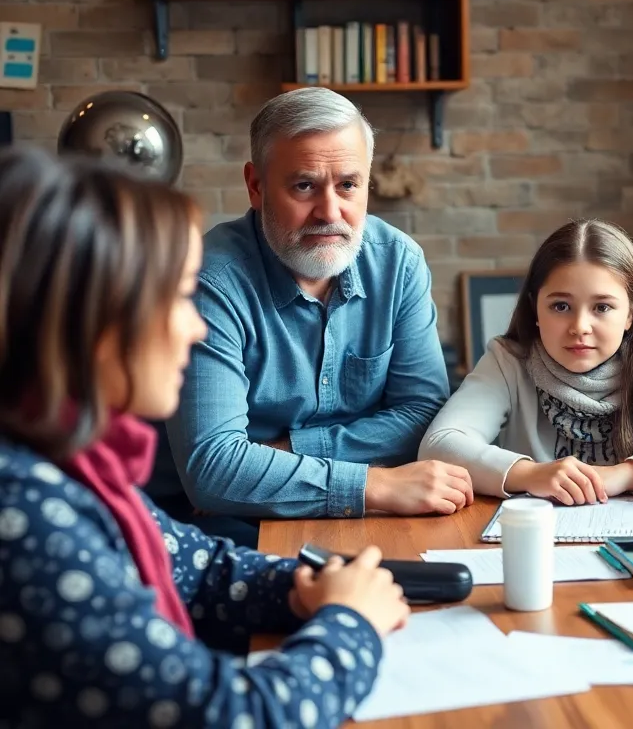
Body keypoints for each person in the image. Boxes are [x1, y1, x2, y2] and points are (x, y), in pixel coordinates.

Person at [0, 147, 409, 727]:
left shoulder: (74, 464)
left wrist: (309, 586)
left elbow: (199, 569)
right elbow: (231, 716)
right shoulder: (24, 512)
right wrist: (351, 624)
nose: (195, 328)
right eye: (175, 297)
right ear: (87, 320)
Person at [164, 88, 472, 535]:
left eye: (348, 185)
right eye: (304, 186)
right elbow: (215, 470)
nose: (330, 212)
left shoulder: (398, 263)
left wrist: (286, 451)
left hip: (375, 515)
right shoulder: (211, 282)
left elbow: (424, 414)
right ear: (256, 186)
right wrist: (372, 484)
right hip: (229, 526)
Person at [419, 219, 633, 502]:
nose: (580, 327)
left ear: (630, 313)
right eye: (561, 306)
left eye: (602, 307)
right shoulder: (509, 361)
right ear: (535, 309)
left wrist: (624, 474)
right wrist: (530, 474)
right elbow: (438, 444)